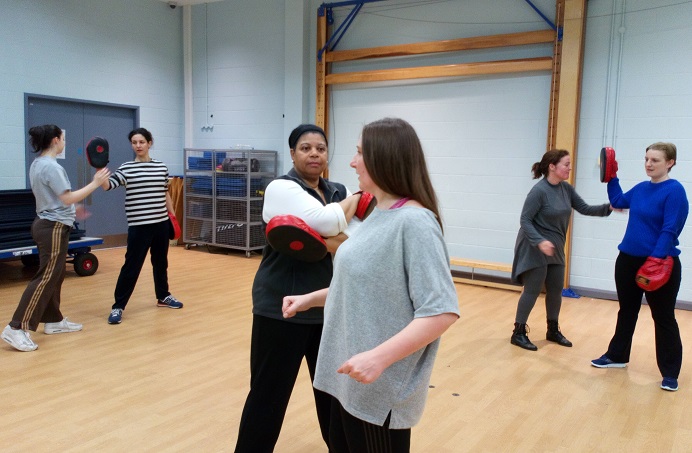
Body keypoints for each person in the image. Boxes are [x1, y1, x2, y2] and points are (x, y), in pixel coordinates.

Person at [283, 118, 460, 453]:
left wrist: (378, 358)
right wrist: (310, 299)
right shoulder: (378, 211)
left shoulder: (415, 222)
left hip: (378, 388)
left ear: (384, 158)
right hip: (347, 380)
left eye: (360, 153)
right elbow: (364, 285)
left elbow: (441, 312)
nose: (351, 162)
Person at [234, 124, 365, 452]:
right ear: (293, 153)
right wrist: (334, 224)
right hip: (280, 307)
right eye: (305, 148)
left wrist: (321, 233)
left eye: (320, 148)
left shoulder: (338, 190)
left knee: (333, 398)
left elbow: (359, 240)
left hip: (329, 305)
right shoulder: (280, 188)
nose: (314, 154)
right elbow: (326, 224)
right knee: (268, 397)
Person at [2, 125, 111, 352]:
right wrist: (96, 182)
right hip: (51, 227)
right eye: (63, 138)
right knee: (46, 277)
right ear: (55, 140)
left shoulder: (38, 164)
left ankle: (52, 320)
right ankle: (16, 327)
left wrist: (72, 211)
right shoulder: (51, 167)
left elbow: (58, 199)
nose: (64, 142)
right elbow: (67, 197)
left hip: (53, 224)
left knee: (57, 273)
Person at [591, 142, 688, 392]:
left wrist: (654, 260)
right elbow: (618, 201)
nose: (648, 164)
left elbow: (670, 228)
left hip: (659, 263)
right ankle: (617, 356)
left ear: (670, 163)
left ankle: (670, 373)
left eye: (655, 160)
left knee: (663, 318)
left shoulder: (675, 191)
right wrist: (612, 176)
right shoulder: (642, 189)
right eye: (646, 159)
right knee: (627, 311)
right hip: (628, 260)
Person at [510, 149, 612, 351]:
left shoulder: (566, 189)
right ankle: (518, 332)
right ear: (552, 167)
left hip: (555, 247)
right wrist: (539, 241)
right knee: (532, 289)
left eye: (569, 164)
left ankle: (552, 329)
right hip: (534, 247)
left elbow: (584, 208)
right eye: (566, 164)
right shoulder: (539, 191)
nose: (569, 168)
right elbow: (525, 220)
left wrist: (609, 207)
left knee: (556, 290)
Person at [101, 127, 182, 325]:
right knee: (131, 267)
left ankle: (163, 296)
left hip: (161, 224)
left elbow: (165, 193)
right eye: (134, 142)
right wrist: (99, 171)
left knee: (161, 263)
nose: (138, 145)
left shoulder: (161, 167)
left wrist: (172, 217)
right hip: (139, 227)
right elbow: (107, 186)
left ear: (149, 143)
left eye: (141, 142)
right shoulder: (127, 168)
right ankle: (118, 306)